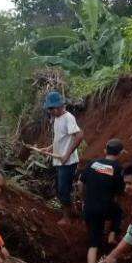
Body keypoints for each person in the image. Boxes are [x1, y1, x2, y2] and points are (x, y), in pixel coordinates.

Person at [37, 91, 84, 226]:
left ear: (57, 107)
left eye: (50, 109)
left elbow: (79, 135)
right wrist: (49, 148)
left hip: (68, 162)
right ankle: (73, 211)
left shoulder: (68, 118)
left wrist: (66, 155)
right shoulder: (57, 118)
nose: (49, 111)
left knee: (63, 189)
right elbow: (61, 138)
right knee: (64, 187)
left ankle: (67, 218)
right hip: (61, 160)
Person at [78, 138, 125, 263]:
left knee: (94, 241)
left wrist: (83, 200)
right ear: (120, 153)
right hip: (106, 207)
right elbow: (119, 194)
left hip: (89, 207)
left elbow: (80, 183)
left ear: (105, 151)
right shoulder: (118, 168)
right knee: (118, 212)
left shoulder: (92, 163)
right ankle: (112, 235)